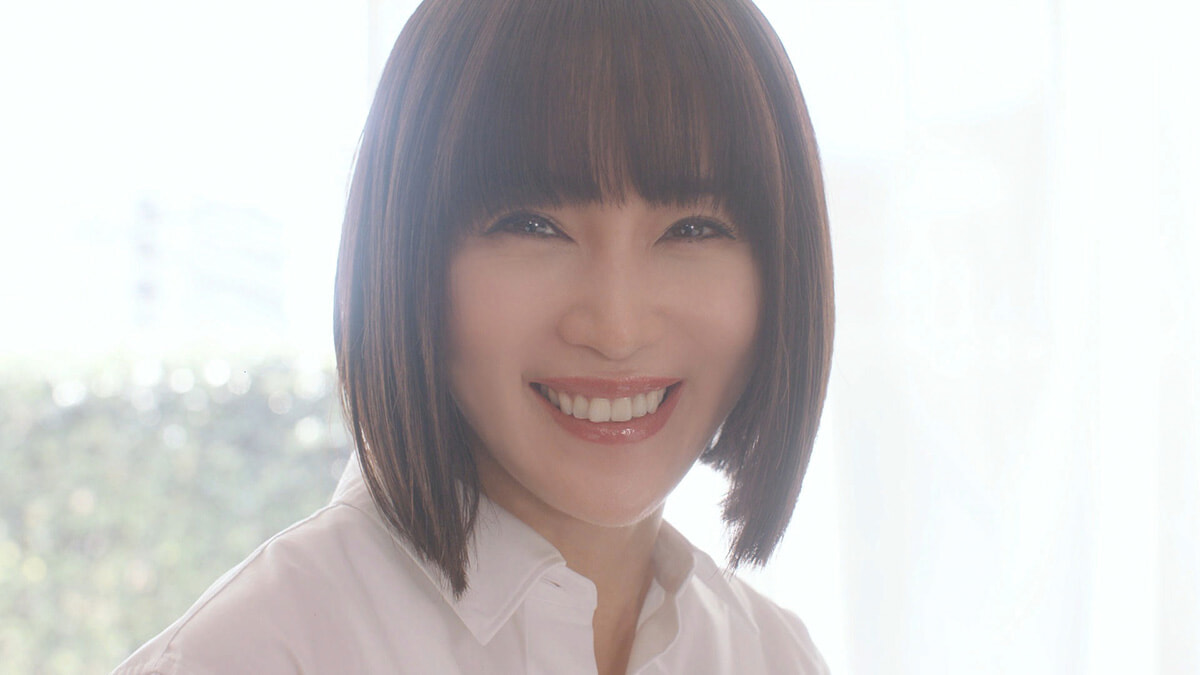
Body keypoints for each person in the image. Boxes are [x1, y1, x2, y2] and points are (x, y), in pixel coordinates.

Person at [115, 0, 834, 672]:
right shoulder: (256, 655)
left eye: (693, 229)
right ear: (409, 255)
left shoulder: (773, 654)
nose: (616, 328)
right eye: (533, 225)